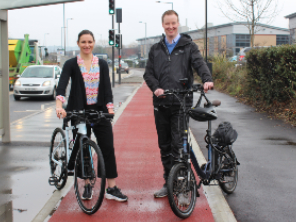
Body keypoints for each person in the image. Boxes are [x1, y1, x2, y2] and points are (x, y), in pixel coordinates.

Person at [143, 10, 214, 199]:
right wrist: (156, 88)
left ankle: (182, 184)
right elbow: (148, 74)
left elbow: (199, 63)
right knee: (164, 146)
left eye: (173, 23)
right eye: (167, 24)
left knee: (178, 147)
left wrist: (207, 79)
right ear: (163, 25)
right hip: (161, 104)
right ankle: (169, 182)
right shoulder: (156, 49)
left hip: (181, 104)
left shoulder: (188, 46)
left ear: (178, 23)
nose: (171, 27)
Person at [55, 30, 127, 202]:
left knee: (108, 147)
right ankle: (87, 184)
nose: (87, 45)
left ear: (93, 43)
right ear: (78, 43)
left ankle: (112, 187)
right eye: (83, 42)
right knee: (83, 149)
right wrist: (59, 106)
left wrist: (109, 108)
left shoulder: (101, 64)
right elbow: (62, 84)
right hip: (78, 111)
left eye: (89, 42)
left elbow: (107, 89)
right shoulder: (71, 64)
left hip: (99, 111)